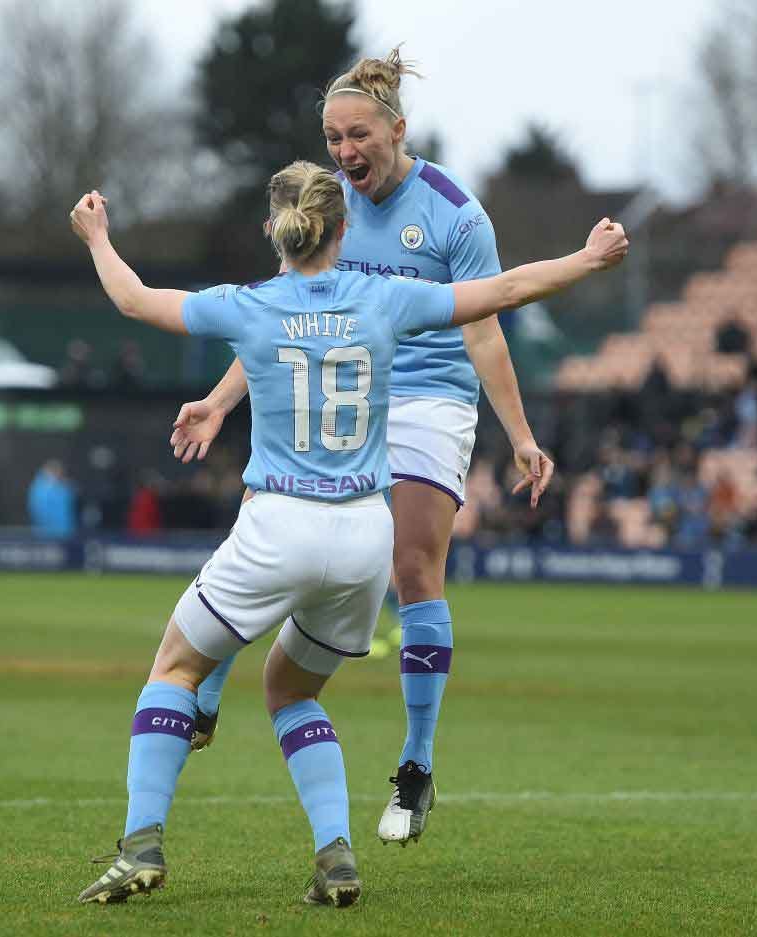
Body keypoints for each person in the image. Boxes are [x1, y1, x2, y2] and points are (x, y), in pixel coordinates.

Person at [67, 162, 627, 906]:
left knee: (173, 669)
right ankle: (335, 855)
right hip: (365, 538)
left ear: (276, 229)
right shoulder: (387, 300)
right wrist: (588, 259)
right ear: (342, 231)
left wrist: (98, 236)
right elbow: (507, 291)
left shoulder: (248, 305)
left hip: (279, 523)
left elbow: (135, 299)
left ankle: (141, 844)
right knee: (293, 691)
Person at [169, 49, 558, 846]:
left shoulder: (454, 213)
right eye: (332, 137)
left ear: (396, 129)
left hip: (428, 394)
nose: (345, 153)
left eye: (357, 136)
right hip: (347, 382)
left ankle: (415, 768)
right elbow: (283, 316)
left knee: (412, 564)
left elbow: (483, 327)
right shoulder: (326, 207)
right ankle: (210, 674)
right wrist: (215, 400)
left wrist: (519, 436)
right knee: (267, 515)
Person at [27, 459, 78, 539]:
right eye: (58, 471)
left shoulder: (64, 487)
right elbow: (39, 511)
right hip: (48, 534)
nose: (60, 474)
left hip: (66, 533)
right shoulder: (41, 489)